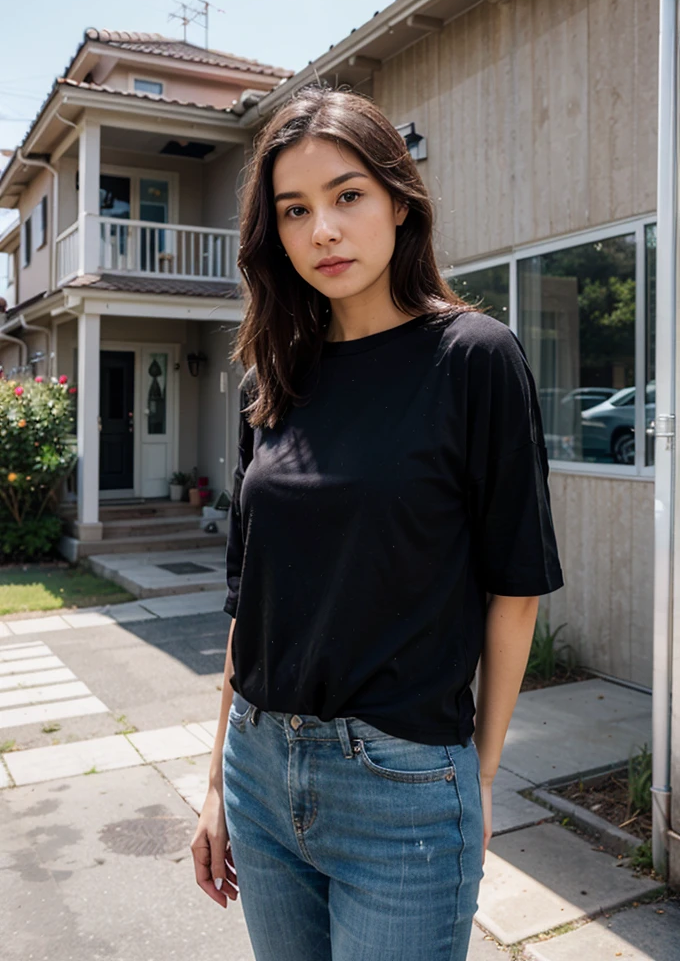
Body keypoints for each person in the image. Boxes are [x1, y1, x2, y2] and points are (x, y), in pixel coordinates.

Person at [191, 84, 564, 961]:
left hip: (400, 787)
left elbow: (515, 588)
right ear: (273, 233)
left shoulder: (473, 357)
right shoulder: (272, 378)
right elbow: (249, 603)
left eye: (347, 196)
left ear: (400, 200)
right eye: (295, 209)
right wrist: (214, 783)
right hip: (257, 766)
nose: (322, 229)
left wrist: (472, 777)